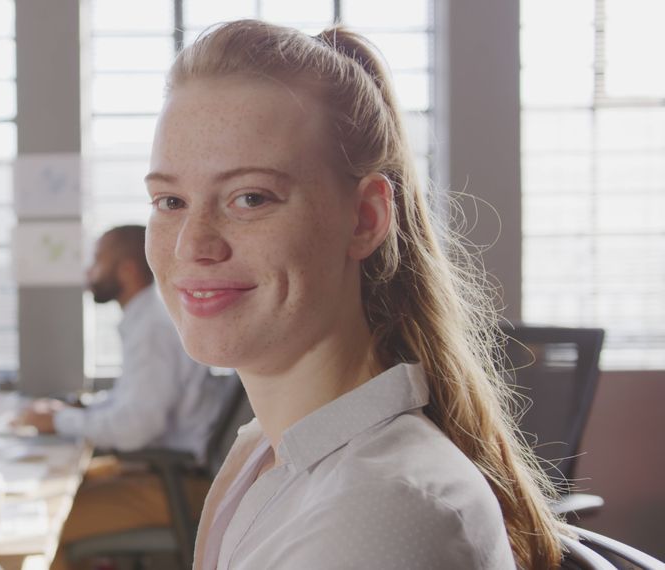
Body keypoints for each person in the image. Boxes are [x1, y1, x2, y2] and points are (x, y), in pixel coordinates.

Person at [143, 20, 565, 570]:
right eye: (170, 201)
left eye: (251, 198)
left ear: (365, 219)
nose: (193, 244)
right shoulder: (270, 455)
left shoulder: (378, 515)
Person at [18, 225, 234, 570]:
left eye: (98, 262)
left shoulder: (151, 327)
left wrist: (58, 420)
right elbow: (134, 401)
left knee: (40, 527)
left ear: (127, 271)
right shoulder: (149, 316)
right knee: (50, 491)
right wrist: (79, 410)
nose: (90, 272)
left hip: (175, 485)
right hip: (165, 475)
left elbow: (137, 427)